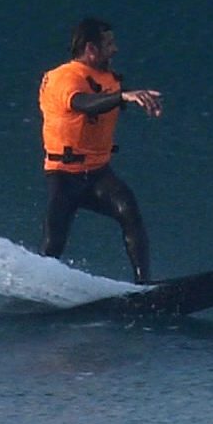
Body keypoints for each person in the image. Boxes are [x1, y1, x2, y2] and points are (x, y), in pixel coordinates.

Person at [38, 17, 164, 283]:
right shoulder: (63, 77)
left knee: (129, 212)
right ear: (91, 49)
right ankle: (37, 290)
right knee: (53, 243)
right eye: (108, 44)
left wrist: (137, 96)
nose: (115, 49)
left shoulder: (106, 77)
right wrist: (121, 97)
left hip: (97, 174)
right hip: (64, 174)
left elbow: (111, 93)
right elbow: (85, 103)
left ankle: (144, 287)